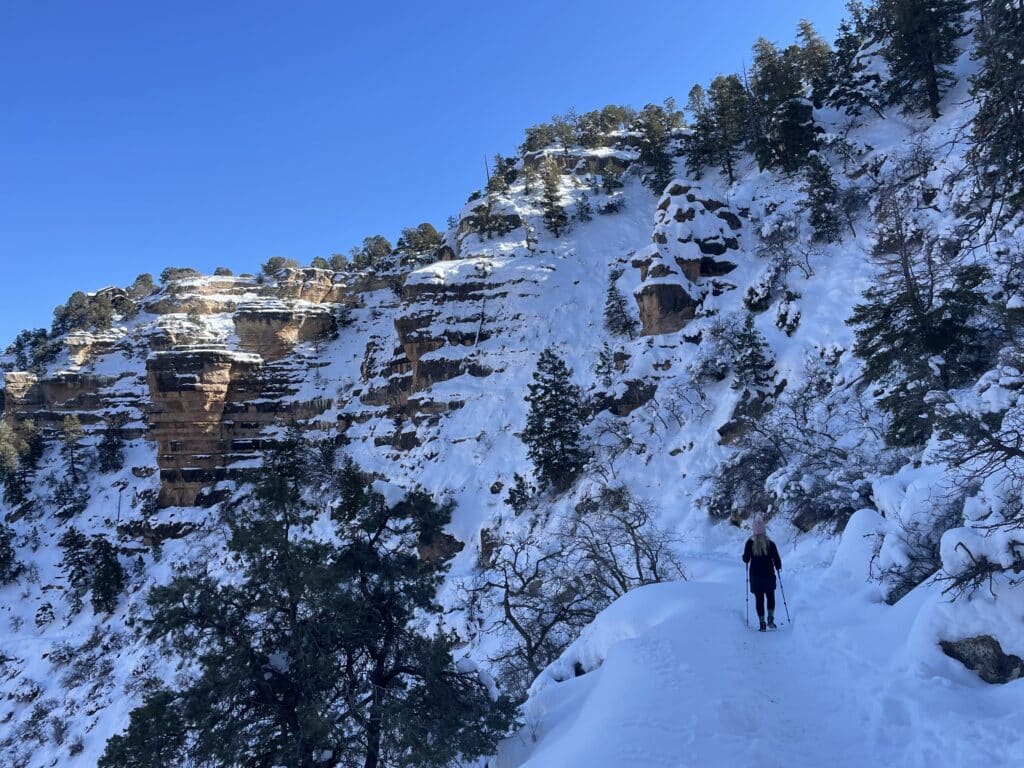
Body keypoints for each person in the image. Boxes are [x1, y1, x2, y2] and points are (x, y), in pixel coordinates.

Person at [742, 517, 782, 631]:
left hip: (755, 576)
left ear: (753, 531)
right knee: (770, 597)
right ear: (764, 530)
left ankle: (762, 623)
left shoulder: (750, 543)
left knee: (759, 599)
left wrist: (745, 557)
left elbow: (745, 559)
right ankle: (770, 619)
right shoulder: (771, 544)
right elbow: (777, 560)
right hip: (769, 575)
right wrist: (778, 567)